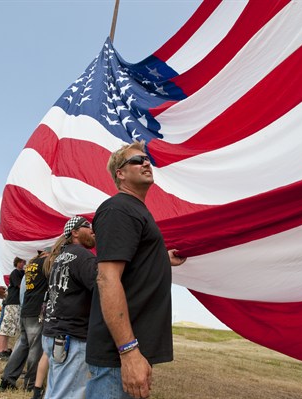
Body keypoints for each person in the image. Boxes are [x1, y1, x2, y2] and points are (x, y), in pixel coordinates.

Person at [85, 141, 186, 399]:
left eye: (146, 159)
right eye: (137, 160)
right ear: (120, 173)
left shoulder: (134, 211)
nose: (145, 163)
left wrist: (161, 258)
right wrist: (128, 351)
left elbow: (132, 260)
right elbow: (107, 279)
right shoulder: (119, 209)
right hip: (118, 355)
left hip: (132, 349)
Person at [42, 216, 97, 399]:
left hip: (53, 333)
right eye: (87, 226)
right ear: (74, 232)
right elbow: (103, 288)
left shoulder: (59, 258)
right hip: (71, 337)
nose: (92, 230)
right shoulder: (83, 256)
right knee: (68, 394)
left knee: (54, 390)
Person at [0, 250, 49, 393]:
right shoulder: (46, 263)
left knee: (22, 345)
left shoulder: (31, 265)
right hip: (36, 311)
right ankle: (31, 384)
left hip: (26, 309)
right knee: (35, 349)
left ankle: (7, 379)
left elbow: (23, 290)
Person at [0, 257, 26, 360]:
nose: (23, 264)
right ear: (17, 263)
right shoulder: (15, 273)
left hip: (17, 303)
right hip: (13, 302)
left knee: (9, 327)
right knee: (6, 325)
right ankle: (0, 351)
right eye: (21, 262)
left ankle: (5, 349)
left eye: (24, 262)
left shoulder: (22, 273)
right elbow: (20, 286)